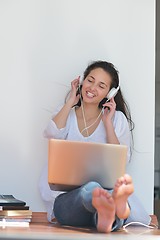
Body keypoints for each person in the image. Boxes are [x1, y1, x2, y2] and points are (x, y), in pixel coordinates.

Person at [39, 60, 151, 233]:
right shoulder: (66, 113)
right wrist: (70, 102)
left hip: (102, 195)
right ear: (82, 81)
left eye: (101, 85)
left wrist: (108, 124)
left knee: (99, 195)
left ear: (110, 93)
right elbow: (52, 134)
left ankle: (106, 217)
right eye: (90, 80)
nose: (92, 88)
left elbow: (122, 159)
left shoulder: (116, 119)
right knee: (91, 191)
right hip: (67, 199)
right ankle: (115, 208)